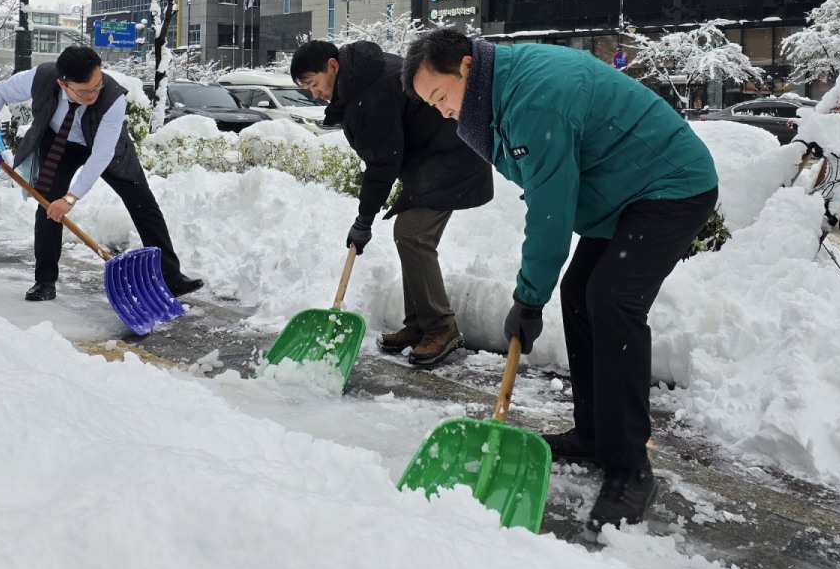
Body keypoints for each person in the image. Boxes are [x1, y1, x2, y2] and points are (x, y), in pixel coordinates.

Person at [403, 28, 719, 530]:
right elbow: (547, 185)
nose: (441, 111)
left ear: (465, 66)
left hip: (670, 185)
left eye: (440, 96)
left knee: (613, 299)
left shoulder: (534, 98)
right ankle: (594, 435)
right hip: (623, 191)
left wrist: (528, 300)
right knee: (579, 294)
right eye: (431, 104)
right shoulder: (499, 91)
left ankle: (630, 466)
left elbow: (550, 208)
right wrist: (538, 295)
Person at [291, 39, 493, 367]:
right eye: (307, 89)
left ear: (332, 65)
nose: (314, 94)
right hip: (435, 159)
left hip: (453, 158)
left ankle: (441, 327)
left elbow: (384, 161)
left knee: (413, 234)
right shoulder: (361, 78)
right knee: (409, 235)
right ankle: (420, 324)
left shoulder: (369, 89)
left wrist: (364, 220)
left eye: (314, 84)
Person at [0, 45, 202, 302]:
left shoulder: (112, 98)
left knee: (143, 203)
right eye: (84, 91)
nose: (94, 93)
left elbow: (101, 154)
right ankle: (44, 281)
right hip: (59, 143)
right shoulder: (41, 77)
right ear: (63, 84)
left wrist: (71, 198)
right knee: (48, 208)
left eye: (97, 85)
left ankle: (171, 277)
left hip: (105, 146)